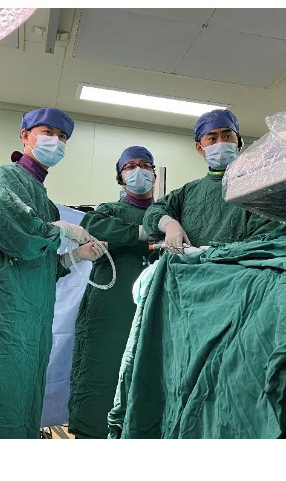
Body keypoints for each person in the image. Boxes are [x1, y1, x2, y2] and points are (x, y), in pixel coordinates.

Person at [0, 107, 107, 438]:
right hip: (5, 319)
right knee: (2, 401)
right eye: (47, 133)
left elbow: (41, 267)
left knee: (25, 402)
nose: (55, 141)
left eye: (62, 137)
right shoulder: (6, 177)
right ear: (25, 136)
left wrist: (74, 256)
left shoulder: (46, 201)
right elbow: (20, 237)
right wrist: (64, 229)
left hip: (33, 326)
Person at [68, 146, 158, 439]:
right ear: (120, 177)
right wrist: (140, 233)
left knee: (151, 374)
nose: (138, 171)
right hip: (111, 309)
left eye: (144, 165)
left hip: (156, 307)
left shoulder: (166, 213)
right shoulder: (107, 212)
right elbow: (93, 226)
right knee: (103, 372)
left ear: (154, 173)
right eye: (130, 167)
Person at [142, 109, 277, 251]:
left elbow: (264, 239)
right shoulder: (188, 192)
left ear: (238, 142)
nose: (221, 142)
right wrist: (169, 224)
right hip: (191, 265)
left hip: (237, 264)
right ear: (200, 148)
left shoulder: (257, 187)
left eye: (227, 136)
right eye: (212, 138)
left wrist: (218, 255)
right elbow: (153, 212)